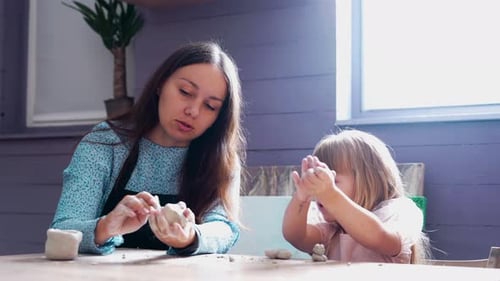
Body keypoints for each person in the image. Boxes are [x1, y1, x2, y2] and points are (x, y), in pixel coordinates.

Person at [50, 41, 246, 256]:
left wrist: (191, 236)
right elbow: (64, 229)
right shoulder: (105, 143)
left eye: (210, 106)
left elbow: (224, 229)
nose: (193, 110)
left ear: (219, 117)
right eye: (185, 91)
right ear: (160, 84)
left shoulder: (220, 160)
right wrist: (106, 226)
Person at [282, 129, 430, 263]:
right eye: (319, 182)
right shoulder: (331, 230)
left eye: (332, 181)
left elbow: (378, 238)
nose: (320, 191)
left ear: (367, 180)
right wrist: (302, 197)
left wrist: (331, 195)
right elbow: (295, 236)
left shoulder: (400, 211)